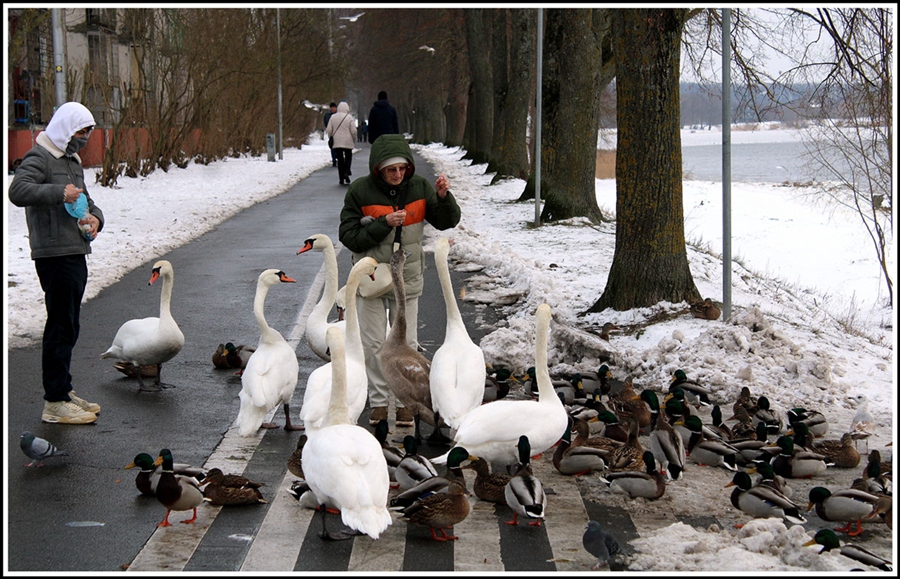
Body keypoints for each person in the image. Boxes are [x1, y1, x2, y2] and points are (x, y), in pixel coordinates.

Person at [339, 134, 460, 427]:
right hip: (371, 279)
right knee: (373, 344)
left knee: (408, 345)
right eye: (391, 170)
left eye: (402, 169)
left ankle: (409, 402)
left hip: (407, 277)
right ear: (378, 169)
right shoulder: (360, 191)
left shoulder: (419, 187)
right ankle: (379, 402)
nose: (397, 175)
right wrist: (383, 225)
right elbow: (349, 237)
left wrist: (444, 199)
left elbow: (447, 220)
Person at [8, 101, 104, 425]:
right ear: (65, 128)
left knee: (70, 324)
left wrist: (96, 220)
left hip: (75, 249)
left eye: (88, 133)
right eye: (80, 131)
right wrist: (58, 193)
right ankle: (54, 401)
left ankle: (64, 390)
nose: (85, 138)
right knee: (60, 325)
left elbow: (86, 199)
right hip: (53, 253)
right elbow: (18, 190)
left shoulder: (71, 160)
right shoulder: (41, 156)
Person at [325, 101, 358, 186]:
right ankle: (347, 170)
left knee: (340, 159)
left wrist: (331, 137)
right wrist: (354, 139)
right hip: (348, 142)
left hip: (337, 142)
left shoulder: (333, 117)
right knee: (348, 157)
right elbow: (354, 131)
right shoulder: (349, 117)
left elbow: (329, 130)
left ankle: (341, 178)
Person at [323, 102, 338, 167]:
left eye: (334, 108)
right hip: (331, 133)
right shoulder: (327, 115)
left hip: (338, 132)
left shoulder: (338, 115)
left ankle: (336, 157)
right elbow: (325, 122)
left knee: (337, 146)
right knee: (332, 146)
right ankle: (334, 160)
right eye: (332, 108)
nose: (333, 109)